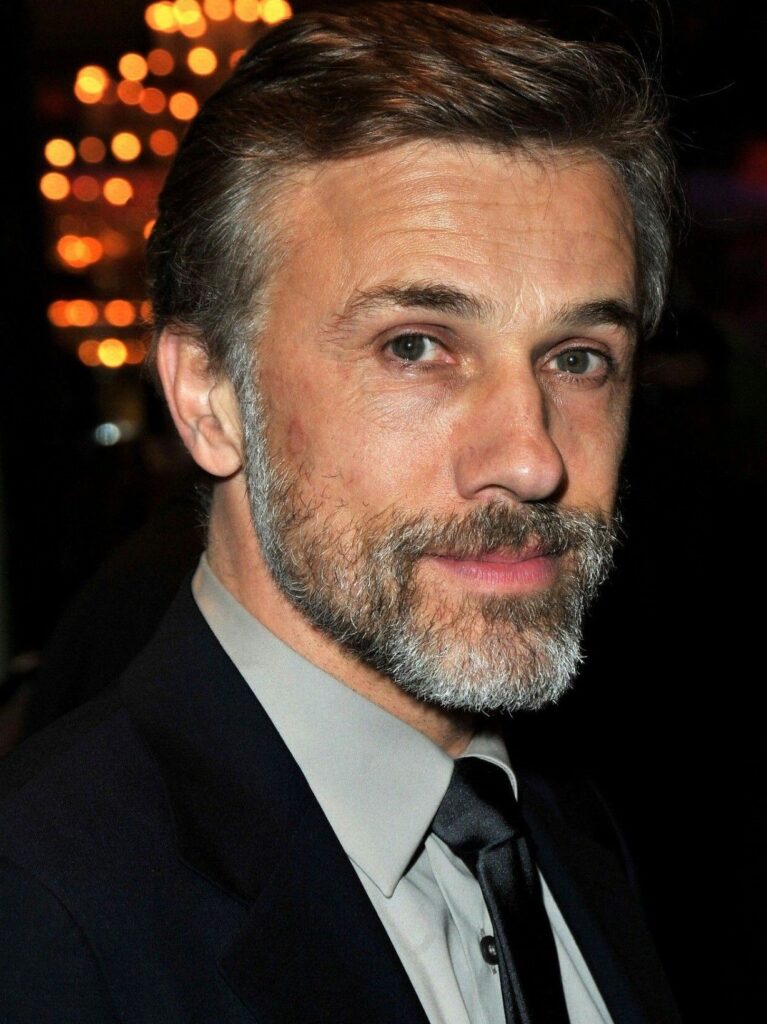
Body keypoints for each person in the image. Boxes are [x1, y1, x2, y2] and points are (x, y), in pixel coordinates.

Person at [0, 4, 682, 1022]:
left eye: (577, 358)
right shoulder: (42, 911)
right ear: (208, 399)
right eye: (415, 346)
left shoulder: (565, 820)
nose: (532, 457)